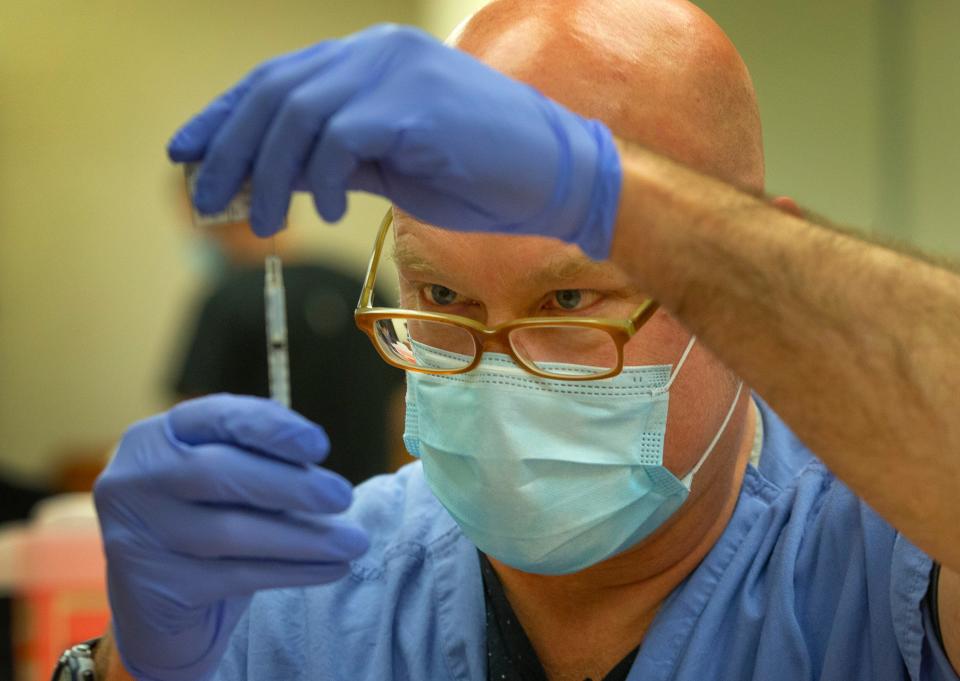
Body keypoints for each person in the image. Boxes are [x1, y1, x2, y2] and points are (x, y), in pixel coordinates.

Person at [80, 1, 960, 680]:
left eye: (569, 297)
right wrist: (136, 666)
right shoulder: (315, 597)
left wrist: (623, 196)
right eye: (442, 295)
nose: (495, 371)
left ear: (748, 297)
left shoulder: (882, 571)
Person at [170, 215, 407, 484]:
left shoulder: (226, 302)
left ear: (218, 222)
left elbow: (193, 422)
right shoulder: (360, 287)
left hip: (267, 505)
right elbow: (404, 406)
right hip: (368, 501)